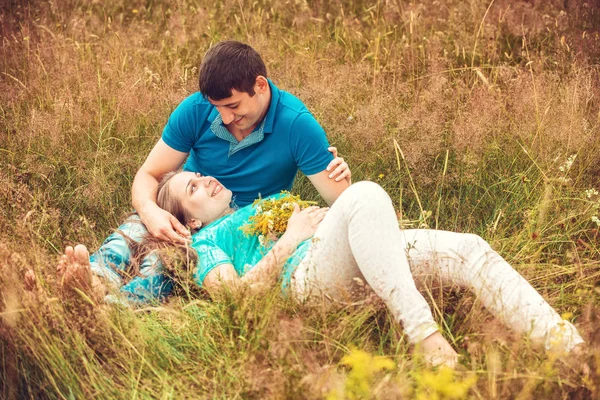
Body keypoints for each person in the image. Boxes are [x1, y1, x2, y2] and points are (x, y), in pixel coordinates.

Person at [146, 171, 583, 367]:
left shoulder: (253, 207)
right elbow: (236, 299)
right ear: (192, 218)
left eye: (201, 174)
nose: (206, 180)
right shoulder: (204, 243)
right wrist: (290, 238)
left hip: (334, 253)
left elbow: (348, 217)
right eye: (194, 187)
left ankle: (573, 352)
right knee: (366, 195)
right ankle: (426, 340)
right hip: (305, 280)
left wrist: (338, 185)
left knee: (469, 249)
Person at [87, 41, 351, 304]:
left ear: (260, 85)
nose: (225, 117)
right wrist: (150, 211)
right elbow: (149, 174)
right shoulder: (195, 110)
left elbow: (345, 206)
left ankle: (116, 308)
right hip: (188, 206)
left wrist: (347, 183)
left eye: (233, 106)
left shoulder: (297, 125)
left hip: (241, 228)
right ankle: (91, 283)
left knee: (166, 260)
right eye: (217, 107)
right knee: (133, 231)